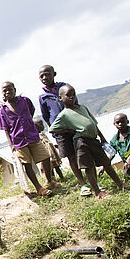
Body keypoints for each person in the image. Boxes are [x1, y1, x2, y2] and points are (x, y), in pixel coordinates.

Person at [49, 85, 128, 199]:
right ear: (60, 98)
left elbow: (93, 123)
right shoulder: (64, 115)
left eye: (73, 94)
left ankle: (120, 184)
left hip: (93, 139)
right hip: (81, 142)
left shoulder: (82, 108)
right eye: (68, 95)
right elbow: (53, 129)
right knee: (89, 167)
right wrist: (69, 130)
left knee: (106, 162)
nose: (71, 97)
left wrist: (102, 137)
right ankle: (97, 192)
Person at [0, 81, 59, 197]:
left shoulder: (25, 101)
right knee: (27, 164)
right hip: (19, 141)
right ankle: (39, 188)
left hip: (32, 136)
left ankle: (49, 180)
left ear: (15, 89)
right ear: (3, 94)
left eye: (10, 89)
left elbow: (31, 112)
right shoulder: (4, 110)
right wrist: (11, 145)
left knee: (46, 157)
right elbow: (6, 129)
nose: (8, 92)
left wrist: (27, 125)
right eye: (5, 90)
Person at [38, 65, 90, 196]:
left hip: (74, 127)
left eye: (47, 74)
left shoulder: (64, 88)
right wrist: (55, 131)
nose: (45, 78)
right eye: (41, 76)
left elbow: (75, 105)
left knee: (83, 152)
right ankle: (83, 183)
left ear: (54, 74)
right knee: (71, 157)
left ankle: (91, 180)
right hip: (61, 132)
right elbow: (46, 117)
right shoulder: (43, 97)